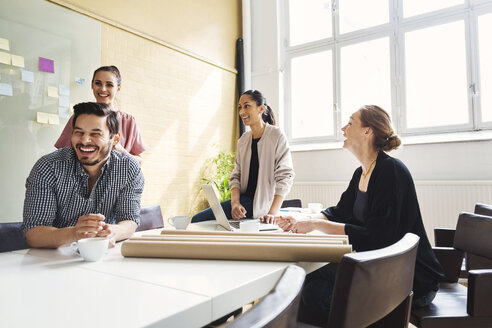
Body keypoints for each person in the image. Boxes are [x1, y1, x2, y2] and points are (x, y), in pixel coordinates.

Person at [277, 105, 444, 321]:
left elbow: (377, 237)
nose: (342, 128)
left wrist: (316, 226)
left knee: (309, 288)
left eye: (350, 122)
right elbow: (339, 212)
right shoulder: (362, 172)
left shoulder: (390, 172)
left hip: (408, 278)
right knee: (305, 282)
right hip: (379, 267)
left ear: (368, 131)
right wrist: (304, 220)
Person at [23, 102, 144, 249]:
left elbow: (130, 220)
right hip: (53, 257)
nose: (84, 141)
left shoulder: (129, 169)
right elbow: (33, 233)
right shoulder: (48, 167)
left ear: (115, 140)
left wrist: (113, 232)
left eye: (95, 134)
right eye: (78, 132)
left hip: (103, 255)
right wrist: (75, 233)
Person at [192, 89, 294, 223]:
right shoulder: (243, 140)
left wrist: (272, 213)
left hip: (260, 204)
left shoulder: (276, 136)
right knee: (201, 221)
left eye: (247, 106)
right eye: (240, 107)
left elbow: (285, 177)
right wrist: (235, 203)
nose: (241, 112)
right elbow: (236, 176)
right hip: (243, 203)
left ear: (261, 109)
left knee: (197, 220)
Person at [55, 65, 146, 164]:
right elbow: (62, 155)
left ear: (118, 88)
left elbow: (139, 162)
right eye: (98, 83)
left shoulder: (128, 121)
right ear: (92, 85)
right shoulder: (78, 117)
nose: (103, 89)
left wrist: (121, 151)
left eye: (109, 85)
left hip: (117, 178)